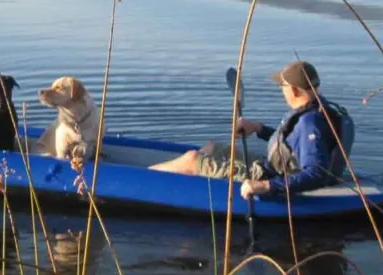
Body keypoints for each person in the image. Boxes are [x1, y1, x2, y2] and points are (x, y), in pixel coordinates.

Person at [149, 61, 352, 200]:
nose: (281, 90)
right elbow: (292, 144)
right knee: (212, 148)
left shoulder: (310, 123)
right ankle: (193, 180)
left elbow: (317, 172)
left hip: (270, 177)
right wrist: (258, 128)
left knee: (192, 159)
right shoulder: (317, 109)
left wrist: (265, 187)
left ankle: (145, 179)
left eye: (283, 86)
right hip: (270, 167)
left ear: (295, 90)